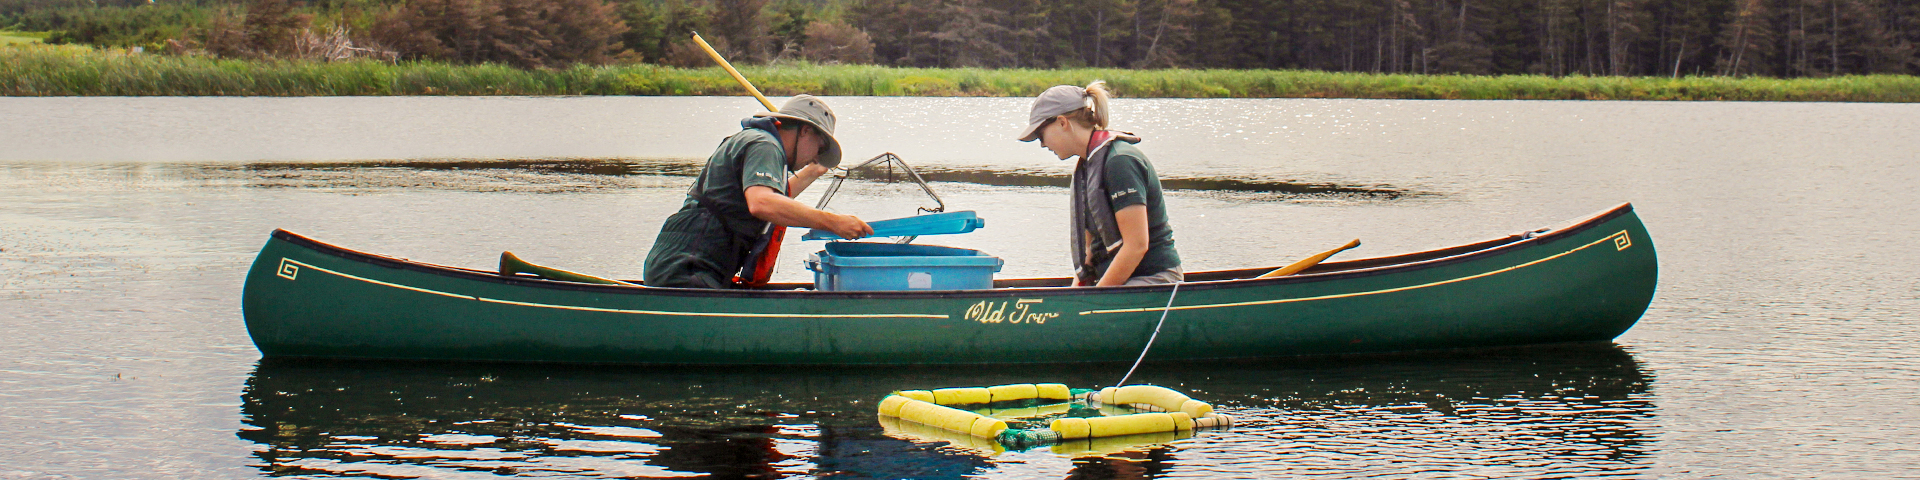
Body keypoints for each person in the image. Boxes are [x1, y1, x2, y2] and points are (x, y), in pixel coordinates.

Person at [644, 95, 872, 288]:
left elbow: (777, 200)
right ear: (804, 131)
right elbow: (763, 203)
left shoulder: (759, 142)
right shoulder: (765, 144)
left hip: (688, 266)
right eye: (819, 148)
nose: (816, 156)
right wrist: (833, 222)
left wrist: (813, 171)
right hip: (688, 269)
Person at [1017, 81, 1182, 287]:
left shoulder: (1120, 162)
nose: (1042, 144)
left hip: (1153, 279)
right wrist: (1075, 293)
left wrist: (1094, 299)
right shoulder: (1088, 166)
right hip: (1120, 282)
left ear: (1062, 122)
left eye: (1041, 134)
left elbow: (1137, 246)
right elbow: (1089, 250)